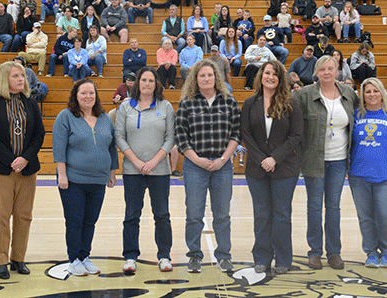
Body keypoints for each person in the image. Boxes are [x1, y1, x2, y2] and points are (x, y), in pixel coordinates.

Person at [0, 61, 45, 279]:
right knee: (0, 216)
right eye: (15, 76)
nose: (20, 79)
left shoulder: (30, 102)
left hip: (26, 169)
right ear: (4, 78)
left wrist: (25, 158)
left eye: (22, 76)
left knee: (24, 216)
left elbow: (39, 134)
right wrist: (11, 159)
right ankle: (0, 261)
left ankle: (18, 258)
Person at [175, 59, 240, 274]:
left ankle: (224, 256)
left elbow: (235, 134)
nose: (206, 78)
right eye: (201, 75)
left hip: (223, 165)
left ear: (216, 78)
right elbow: (181, 137)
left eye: (209, 75)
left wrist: (223, 159)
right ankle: (194, 255)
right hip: (195, 166)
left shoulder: (228, 102)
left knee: (222, 215)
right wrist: (197, 160)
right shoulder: (187, 103)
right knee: (194, 214)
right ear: (195, 79)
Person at [293, 55, 358, 271]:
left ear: (337, 71)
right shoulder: (304, 95)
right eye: (323, 69)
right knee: (314, 206)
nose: (327, 72)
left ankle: (334, 252)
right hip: (314, 160)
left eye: (331, 68)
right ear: (316, 72)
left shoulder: (349, 94)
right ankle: (314, 252)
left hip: (339, 160)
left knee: (333, 206)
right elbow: (294, 127)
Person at [241, 60, 303, 274]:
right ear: (261, 75)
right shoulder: (250, 103)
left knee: (282, 214)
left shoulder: (291, 103)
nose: (270, 77)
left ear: (281, 78)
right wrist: (262, 160)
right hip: (257, 170)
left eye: (275, 74)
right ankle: (262, 258)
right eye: (267, 73)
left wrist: (275, 158)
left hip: (285, 169)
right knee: (261, 213)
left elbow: (296, 135)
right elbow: (245, 135)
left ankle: (284, 259)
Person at [53, 79, 117, 276]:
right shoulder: (65, 117)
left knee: (90, 221)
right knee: (75, 221)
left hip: (98, 180)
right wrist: (62, 174)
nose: (88, 96)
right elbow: (59, 147)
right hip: (73, 181)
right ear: (76, 95)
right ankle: (74, 259)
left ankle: (84, 256)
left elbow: (111, 147)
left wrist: (113, 171)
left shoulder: (104, 118)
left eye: (91, 93)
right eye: (83, 93)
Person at [115, 67, 175, 273]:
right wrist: (138, 163)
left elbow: (170, 139)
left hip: (159, 171)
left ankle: (164, 256)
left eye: (151, 80)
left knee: (162, 214)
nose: (147, 84)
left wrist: (153, 162)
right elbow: (120, 137)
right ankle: (130, 256)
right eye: (144, 80)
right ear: (137, 83)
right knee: (132, 214)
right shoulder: (126, 107)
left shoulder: (165, 106)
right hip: (133, 171)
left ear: (156, 83)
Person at [348, 78, 387, 268]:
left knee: (386, 216)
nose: (371, 95)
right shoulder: (355, 115)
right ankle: (371, 252)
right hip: (358, 175)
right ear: (362, 95)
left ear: (382, 93)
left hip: (386, 176)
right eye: (367, 91)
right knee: (366, 217)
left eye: (375, 91)